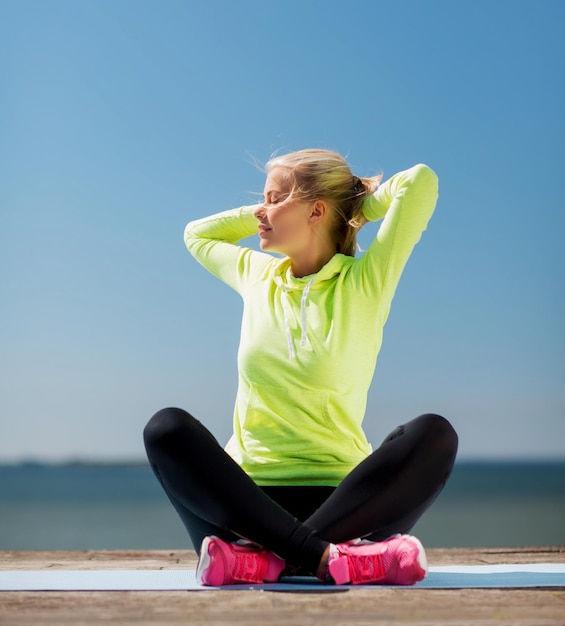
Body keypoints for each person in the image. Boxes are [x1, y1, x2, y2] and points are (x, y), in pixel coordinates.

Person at [143, 149, 458, 587]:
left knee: (434, 434)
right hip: (244, 506)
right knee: (166, 429)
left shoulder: (365, 281)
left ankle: (271, 560)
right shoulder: (257, 275)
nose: (260, 213)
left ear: (316, 210)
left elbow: (419, 182)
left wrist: (354, 207)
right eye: (262, 200)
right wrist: (271, 205)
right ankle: (325, 558)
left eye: (274, 199)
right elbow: (197, 235)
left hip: (348, 503)